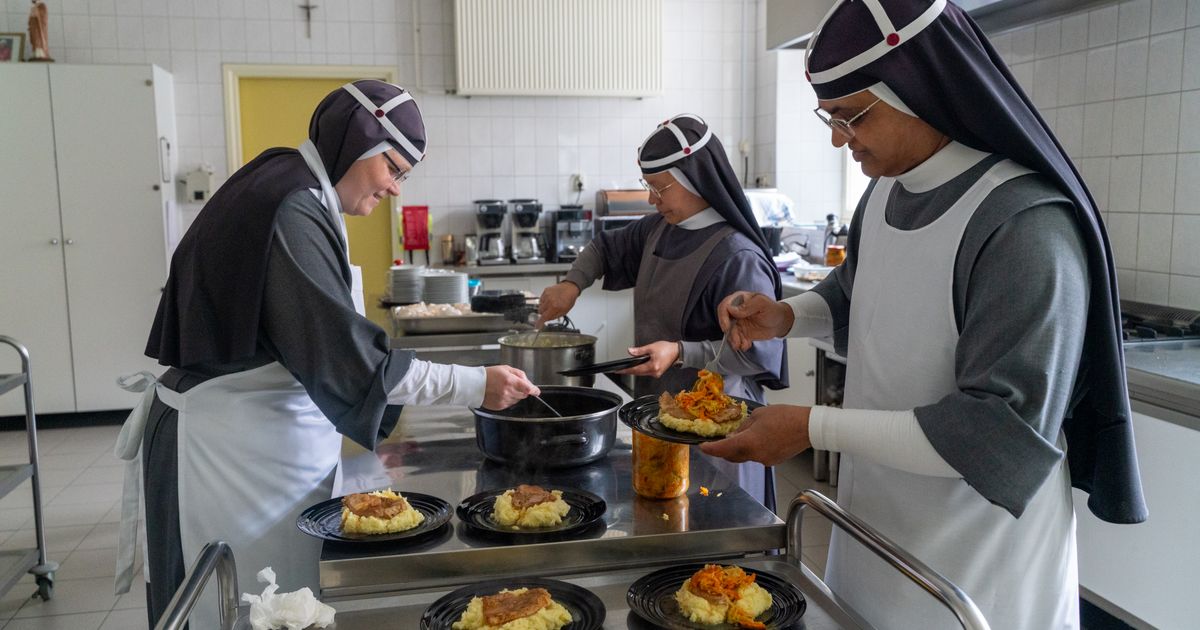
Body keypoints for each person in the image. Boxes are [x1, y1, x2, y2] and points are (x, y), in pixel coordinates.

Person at [704, 1, 1148, 628]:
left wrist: (813, 426)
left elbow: (993, 432)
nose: (838, 138)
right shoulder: (885, 191)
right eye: (828, 117)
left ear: (921, 91)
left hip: (974, 561)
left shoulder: (1022, 224)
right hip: (875, 525)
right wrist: (784, 317)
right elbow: (858, 295)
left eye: (852, 116)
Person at [114, 80, 540, 629]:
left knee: (279, 603)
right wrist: (474, 385)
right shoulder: (291, 205)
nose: (395, 189)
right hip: (229, 459)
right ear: (355, 143)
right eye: (394, 168)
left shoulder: (291, 181)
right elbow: (346, 355)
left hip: (260, 445)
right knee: (236, 606)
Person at [538, 114, 787, 509]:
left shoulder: (737, 257)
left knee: (720, 530)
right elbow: (604, 247)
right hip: (661, 413)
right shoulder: (659, 229)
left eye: (659, 188)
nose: (652, 200)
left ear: (694, 180)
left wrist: (681, 352)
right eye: (648, 187)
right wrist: (572, 284)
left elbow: (752, 352)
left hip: (720, 427)